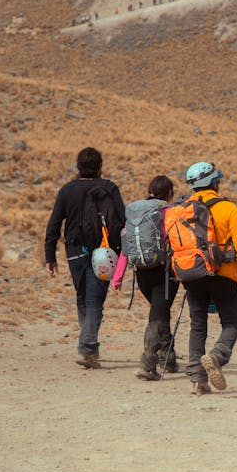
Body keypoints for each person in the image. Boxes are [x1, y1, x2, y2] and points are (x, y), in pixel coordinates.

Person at [177, 161, 237, 396]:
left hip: (192, 273)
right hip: (223, 273)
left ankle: (197, 380)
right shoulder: (228, 208)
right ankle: (217, 355)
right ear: (215, 182)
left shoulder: (183, 209)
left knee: (197, 324)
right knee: (232, 322)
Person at [45, 147, 125, 368]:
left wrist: (49, 256)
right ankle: (88, 347)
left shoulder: (67, 190)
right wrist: (122, 253)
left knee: (83, 298)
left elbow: (53, 225)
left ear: (78, 166)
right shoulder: (109, 188)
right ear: (100, 166)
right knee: (94, 300)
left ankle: (88, 346)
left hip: (74, 252)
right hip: (105, 251)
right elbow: (122, 220)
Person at [111, 175, 180, 381]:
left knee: (160, 311)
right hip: (164, 272)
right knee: (157, 316)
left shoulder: (136, 214)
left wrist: (117, 277)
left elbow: (127, 246)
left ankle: (168, 358)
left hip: (141, 274)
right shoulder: (168, 212)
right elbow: (177, 240)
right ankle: (148, 364)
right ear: (169, 193)